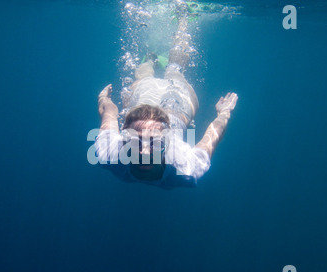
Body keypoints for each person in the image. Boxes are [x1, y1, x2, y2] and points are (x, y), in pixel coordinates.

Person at [94, 0, 238, 189]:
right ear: (124, 139)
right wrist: (224, 114)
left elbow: (109, 114)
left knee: (166, 72)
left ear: (167, 140)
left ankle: (183, 19)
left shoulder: (108, 155)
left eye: (154, 142)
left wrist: (104, 99)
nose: (145, 152)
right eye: (135, 141)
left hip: (159, 101)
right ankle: (153, 59)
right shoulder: (187, 170)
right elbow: (110, 114)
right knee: (164, 72)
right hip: (179, 107)